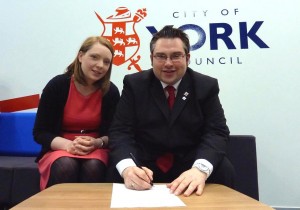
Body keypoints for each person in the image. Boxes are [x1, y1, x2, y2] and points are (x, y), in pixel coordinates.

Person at [106, 26, 235, 196]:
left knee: (224, 169)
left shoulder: (206, 86)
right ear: (151, 58)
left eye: (176, 56)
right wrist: (128, 168)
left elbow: (217, 132)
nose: (168, 63)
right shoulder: (134, 84)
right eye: (161, 56)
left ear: (187, 58)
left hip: (189, 163)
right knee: (116, 170)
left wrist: (200, 170)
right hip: (144, 164)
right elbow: (120, 131)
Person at [33, 36, 120, 190]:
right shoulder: (57, 85)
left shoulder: (111, 91)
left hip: (96, 148)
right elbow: (40, 132)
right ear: (81, 56)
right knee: (66, 165)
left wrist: (97, 142)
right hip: (60, 147)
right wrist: (68, 145)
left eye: (106, 62)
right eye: (94, 57)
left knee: (93, 166)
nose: (100, 65)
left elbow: (116, 133)